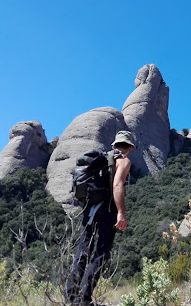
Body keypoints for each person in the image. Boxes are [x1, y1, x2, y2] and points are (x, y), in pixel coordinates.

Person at [66, 131, 134, 306]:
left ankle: (72, 296)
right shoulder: (123, 161)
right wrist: (121, 213)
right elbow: (117, 185)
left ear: (114, 145)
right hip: (106, 211)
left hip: (89, 211)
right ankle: (85, 299)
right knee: (101, 255)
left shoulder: (102, 159)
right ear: (130, 147)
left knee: (83, 251)